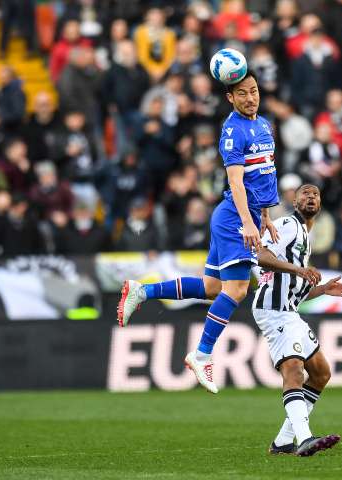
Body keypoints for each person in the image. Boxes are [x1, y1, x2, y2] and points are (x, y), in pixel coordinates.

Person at [117, 72, 283, 394]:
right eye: (242, 93)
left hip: (243, 215)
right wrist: (249, 221)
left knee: (211, 287)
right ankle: (202, 353)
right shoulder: (233, 131)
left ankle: (142, 291)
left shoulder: (263, 125)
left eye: (254, 91)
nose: (250, 98)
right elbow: (235, 182)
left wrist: (265, 215)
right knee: (236, 290)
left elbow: (263, 175)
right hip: (235, 216)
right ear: (229, 99)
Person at [254, 184, 342, 456]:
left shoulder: (305, 235)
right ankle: (305, 437)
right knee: (294, 370)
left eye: (316, 194)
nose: (311, 197)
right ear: (294, 201)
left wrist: (321, 289)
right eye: (305, 194)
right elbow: (262, 256)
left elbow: (295, 288)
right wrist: (300, 269)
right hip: (272, 309)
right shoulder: (286, 224)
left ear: (320, 203)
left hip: (288, 310)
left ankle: (283, 442)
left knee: (320, 373)